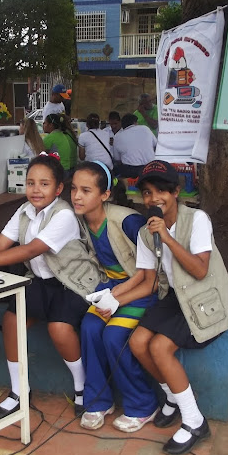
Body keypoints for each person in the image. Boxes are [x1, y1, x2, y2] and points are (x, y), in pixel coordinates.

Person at [0, 155, 102, 420]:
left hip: (73, 284)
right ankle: (18, 391)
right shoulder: (25, 210)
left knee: (58, 328)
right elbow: (3, 242)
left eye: (44, 184)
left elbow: (30, 249)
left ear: (58, 189)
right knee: (12, 320)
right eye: (30, 183)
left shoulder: (64, 215)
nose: (36, 190)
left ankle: (82, 387)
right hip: (42, 281)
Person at [129, 161, 228, 455]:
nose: (154, 199)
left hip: (206, 299)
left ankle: (194, 421)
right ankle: (173, 396)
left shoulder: (197, 219)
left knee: (160, 348)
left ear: (176, 191)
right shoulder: (145, 233)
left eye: (162, 190)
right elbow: (149, 279)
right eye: (148, 193)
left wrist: (167, 237)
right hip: (176, 296)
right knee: (138, 342)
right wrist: (115, 299)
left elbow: (200, 270)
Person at [71, 162, 159, 431]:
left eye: (86, 190)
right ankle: (98, 399)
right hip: (110, 288)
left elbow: (154, 272)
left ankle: (143, 404)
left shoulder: (128, 221)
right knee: (89, 328)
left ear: (105, 195)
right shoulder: (82, 220)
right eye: (74, 189)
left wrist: (117, 296)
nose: (77, 196)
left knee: (113, 336)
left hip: (144, 289)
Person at [113, 113, 157, 178]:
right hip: (150, 168)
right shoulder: (145, 129)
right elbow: (156, 145)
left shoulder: (118, 136)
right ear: (134, 122)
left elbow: (117, 158)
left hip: (130, 171)